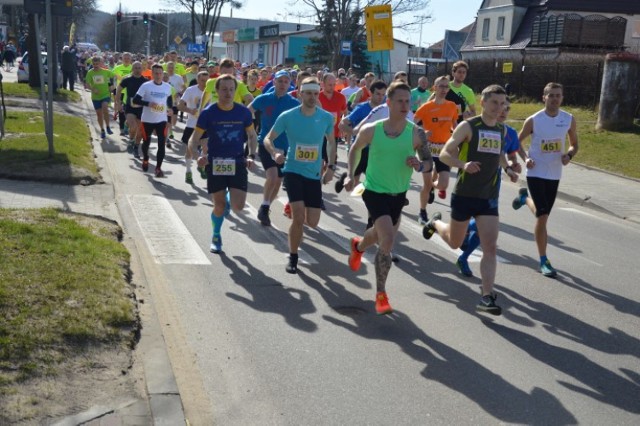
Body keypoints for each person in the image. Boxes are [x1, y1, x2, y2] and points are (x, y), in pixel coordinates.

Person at [422, 84, 519, 316]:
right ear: (483, 103)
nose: (499, 107)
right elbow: (445, 153)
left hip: (488, 198)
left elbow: (500, 155)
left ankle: (486, 296)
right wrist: (463, 164)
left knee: (490, 247)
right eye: (494, 102)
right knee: (456, 243)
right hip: (464, 194)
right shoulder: (468, 126)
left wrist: (508, 170)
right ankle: (435, 224)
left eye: (502, 103)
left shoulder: (503, 130)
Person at [344, 81, 433, 315]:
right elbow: (355, 149)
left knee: (378, 234)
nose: (405, 105)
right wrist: (353, 176)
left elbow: (429, 163)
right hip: (373, 190)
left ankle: (358, 246)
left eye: (408, 101)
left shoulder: (416, 133)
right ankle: (381, 293)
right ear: (389, 103)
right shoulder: (372, 129)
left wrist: (419, 164)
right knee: (388, 238)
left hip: (398, 193)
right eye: (400, 101)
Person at [262, 77, 336, 274]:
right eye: (308, 93)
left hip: (313, 174)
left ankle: (296, 213)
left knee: (312, 222)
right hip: (293, 170)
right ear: (300, 94)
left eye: (315, 93)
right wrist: (275, 152)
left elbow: (331, 142)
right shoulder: (288, 116)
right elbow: (268, 138)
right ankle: (293, 257)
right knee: (298, 218)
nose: (312, 97)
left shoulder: (327, 117)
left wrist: (331, 167)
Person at [512, 82, 579, 278]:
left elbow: (574, 144)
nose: (555, 99)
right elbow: (517, 142)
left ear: (562, 98)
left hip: (555, 173)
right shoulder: (534, 120)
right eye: (551, 95)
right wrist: (526, 159)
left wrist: (569, 155)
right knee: (542, 217)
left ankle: (524, 199)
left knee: (543, 214)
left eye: (558, 95)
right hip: (535, 171)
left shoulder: (568, 119)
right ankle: (544, 260)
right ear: (544, 97)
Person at [190, 74, 258, 254]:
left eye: (231, 89)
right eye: (224, 89)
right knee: (218, 206)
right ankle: (216, 235)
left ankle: (229, 200)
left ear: (235, 91)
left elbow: (252, 135)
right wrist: (197, 155)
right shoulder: (208, 113)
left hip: (237, 162)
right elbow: (194, 139)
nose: (228, 93)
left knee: (238, 207)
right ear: (217, 91)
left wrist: (251, 155)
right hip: (215, 162)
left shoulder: (243, 112)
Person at [456, 100, 522, 277]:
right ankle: (453, 229)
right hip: (468, 183)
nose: (502, 111)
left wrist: (513, 166)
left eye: (506, 108)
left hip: (491, 185)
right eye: (500, 106)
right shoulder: (476, 126)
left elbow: (511, 154)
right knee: (460, 232)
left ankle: (463, 257)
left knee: (483, 227)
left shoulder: (509, 132)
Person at [248, 70, 300, 226]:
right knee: (271, 177)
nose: (283, 84)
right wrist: (248, 128)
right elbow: (247, 111)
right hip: (266, 143)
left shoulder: (294, 103)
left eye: (286, 81)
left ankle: (266, 206)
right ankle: (264, 206)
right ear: (274, 82)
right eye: (280, 81)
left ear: (289, 84)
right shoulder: (264, 99)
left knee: (277, 182)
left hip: (285, 147)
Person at [413, 76, 458, 225]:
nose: (444, 89)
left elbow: (455, 125)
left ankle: (432, 186)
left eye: (446, 87)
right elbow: (412, 125)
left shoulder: (452, 106)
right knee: (426, 184)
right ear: (435, 87)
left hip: (444, 149)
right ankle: (422, 212)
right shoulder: (426, 108)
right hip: (427, 149)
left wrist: (458, 138)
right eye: (441, 86)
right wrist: (421, 134)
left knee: (443, 184)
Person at [131, 64, 174, 177]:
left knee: (161, 144)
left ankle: (158, 168)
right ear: (152, 73)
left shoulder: (167, 87)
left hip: (162, 120)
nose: (158, 75)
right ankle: (146, 158)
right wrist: (148, 103)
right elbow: (135, 100)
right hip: (147, 120)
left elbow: (169, 102)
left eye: (160, 73)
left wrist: (170, 112)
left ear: (162, 73)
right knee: (146, 143)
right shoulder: (146, 86)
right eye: (155, 73)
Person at [179, 71, 208, 184]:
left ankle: (201, 166)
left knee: (206, 147)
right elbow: (180, 105)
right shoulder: (191, 90)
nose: (205, 83)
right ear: (197, 79)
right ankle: (188, 171)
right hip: (192, 125)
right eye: (202, 80)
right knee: (190, 151)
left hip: (206, 125)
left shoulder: (211, 91)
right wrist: (190, 110)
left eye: (206, 80)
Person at [115, 61, 148, 158]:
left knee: (141, 130)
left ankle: (136, 147)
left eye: (139, 68)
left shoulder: (146, 81)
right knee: (133, 127)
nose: (137, 70)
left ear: (142, 69)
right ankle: (131, 140)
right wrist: (118, 103)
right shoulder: (127, 79)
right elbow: (119, 89)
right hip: (130, 107)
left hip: (142, 108)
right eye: (135, 68)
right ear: (132, 69)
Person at [85, 56, 115, 139]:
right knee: (99, 115)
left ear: (100, 64)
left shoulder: (106, 72)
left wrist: (113, 86)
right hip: (95, 97)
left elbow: (114, 76)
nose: (95, 65)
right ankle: (102, 129)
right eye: (94, 64)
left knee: (105, 107)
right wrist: (92, 89)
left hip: (105, 94)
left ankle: (108, 127)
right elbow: (87, 84)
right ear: (92, 64)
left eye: (97, 64)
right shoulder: (90, 73)